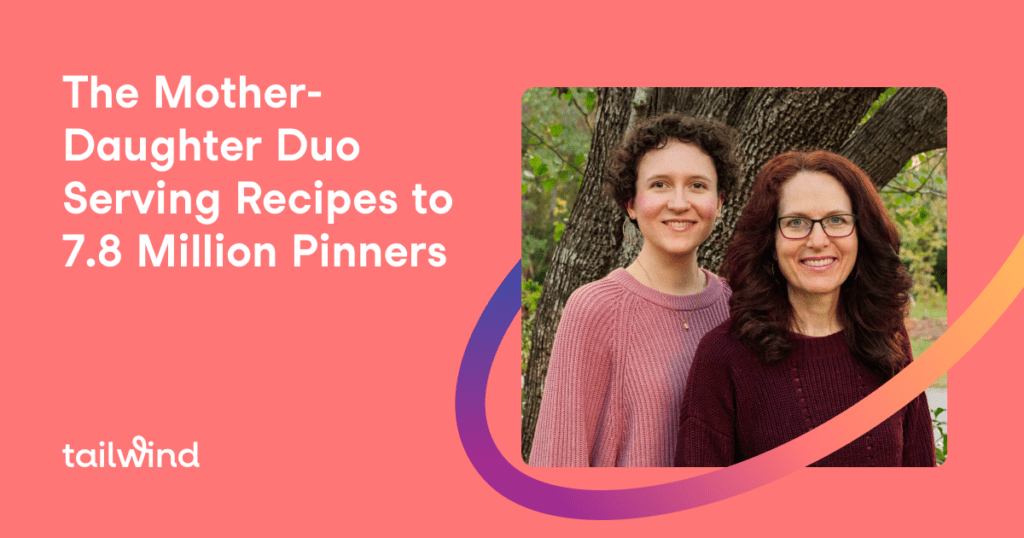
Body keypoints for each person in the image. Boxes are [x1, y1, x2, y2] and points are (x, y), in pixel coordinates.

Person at [675, 150, 935, 467]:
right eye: (796, 223)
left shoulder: (887, 339)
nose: (818, 241)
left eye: (837, 220)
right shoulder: (724, 356)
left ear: (862, 234)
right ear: (770, 242)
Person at [530, 114, 739, 466]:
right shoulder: (595, 309)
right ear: (631, 203)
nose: (679, 202)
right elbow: (558, 463)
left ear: (719, 203)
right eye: (659, 185)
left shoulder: (738, 307)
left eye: (697, 185)